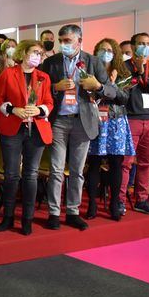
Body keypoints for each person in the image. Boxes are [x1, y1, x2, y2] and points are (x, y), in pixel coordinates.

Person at [40, 24, 116, 231]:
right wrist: (55, 87)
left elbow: (112, 90)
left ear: (79, 41)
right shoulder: (50, 62)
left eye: (68, 41)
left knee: (77, 171)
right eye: (61, 41)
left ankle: (73, 211)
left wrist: (98, 86)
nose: (64, 44)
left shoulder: (93, 61)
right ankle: (54, 213)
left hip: (83, 121)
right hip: (58, 121)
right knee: (56, 170)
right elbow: (37, 88)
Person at [0, 40, 53, 235]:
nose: (38, 55)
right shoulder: (8, 74)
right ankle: (8, 216)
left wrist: (40, 110)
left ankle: (27, 218)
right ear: (23, 52)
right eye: (35, 51)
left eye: (40, 53)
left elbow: (50, 103)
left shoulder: (44, 76)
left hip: (36, 129)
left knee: (31, 174)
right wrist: (13, 109)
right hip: (13, 127)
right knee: (11, 174)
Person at [85, 38, 134, 221]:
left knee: (116, 163)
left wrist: (111, 84)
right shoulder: (89, 72)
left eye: (109, 50)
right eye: (101, 49)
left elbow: (123, 98)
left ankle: (114, 204)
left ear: (115, 53)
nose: (105, 53)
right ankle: (92, 204)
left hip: (116, 121)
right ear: (96, 51)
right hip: (94, 120)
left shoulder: (122, 73)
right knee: (94, 163)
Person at [120, 32, 149, 215]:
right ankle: (119, 201)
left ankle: (142, 200)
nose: (144, 47)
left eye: (147, 43)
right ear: (132, 46)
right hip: (131, 119)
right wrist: (137, 73)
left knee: (146, 163)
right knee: (125, 163)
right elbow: (120, 92)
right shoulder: (123, 67)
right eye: (140, 43)